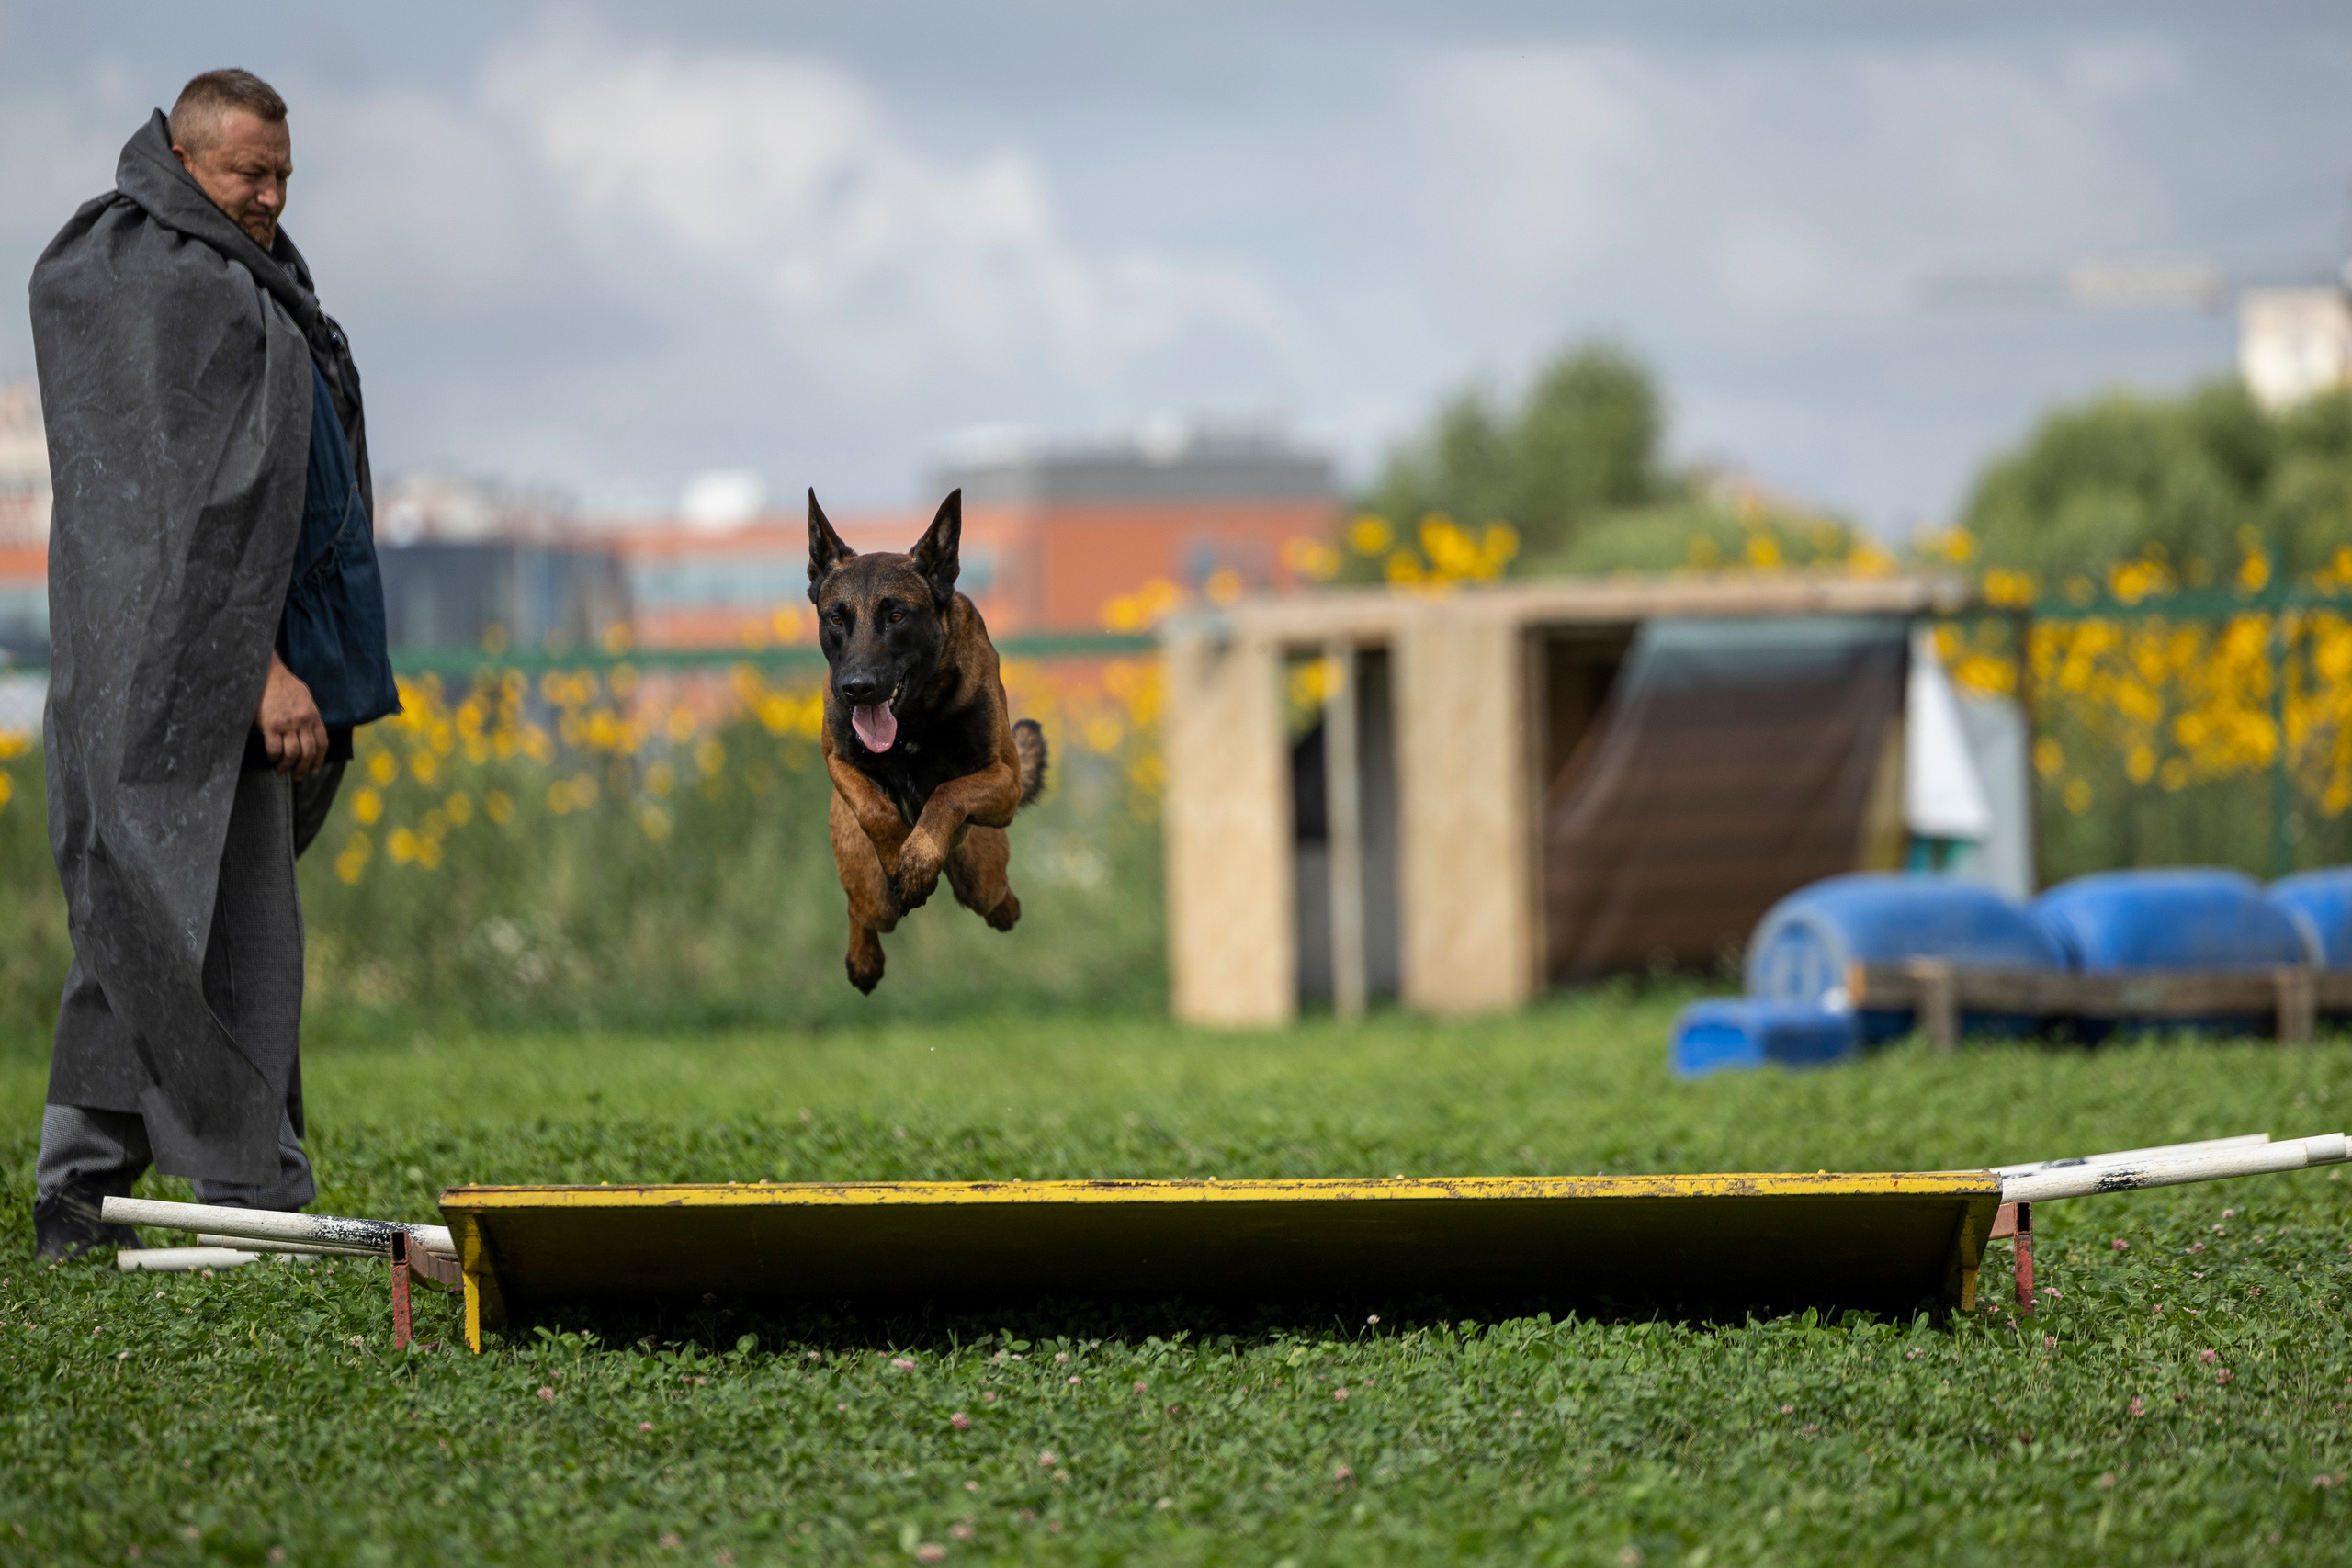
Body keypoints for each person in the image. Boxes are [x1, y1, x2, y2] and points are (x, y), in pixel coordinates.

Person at [27, 69, 399, 1257]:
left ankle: (77, 1192)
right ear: (188, 160)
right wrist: (261, 672)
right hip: (185, 680)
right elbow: (170, 522)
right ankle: (256, 1194)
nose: (274, 196)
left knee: (143, 924)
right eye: (252, 174)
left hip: (212, 665)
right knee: (228, 930)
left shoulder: (222, 266)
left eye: (285, 174)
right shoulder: (158, 283)